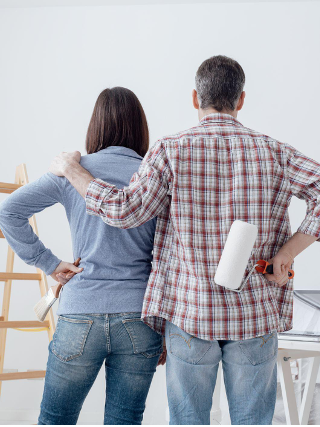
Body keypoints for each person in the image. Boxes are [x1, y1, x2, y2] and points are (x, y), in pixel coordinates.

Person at [49, 56, 320, 426]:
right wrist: (288, 252)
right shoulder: (276, 152)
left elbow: (125, 211)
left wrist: (74, 171)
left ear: (195, 98)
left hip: (191, 314)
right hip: (254, 315)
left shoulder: (170, 150)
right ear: (241, 100)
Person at [0, 87, 164, 426]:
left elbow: (9, 211)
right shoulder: (153, 175)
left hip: (80, 313)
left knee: (56, 419)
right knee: (125, 419)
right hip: (139, 314)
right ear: (140, 128)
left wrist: (49, 263)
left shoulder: (73, 171)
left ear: (96, 127)